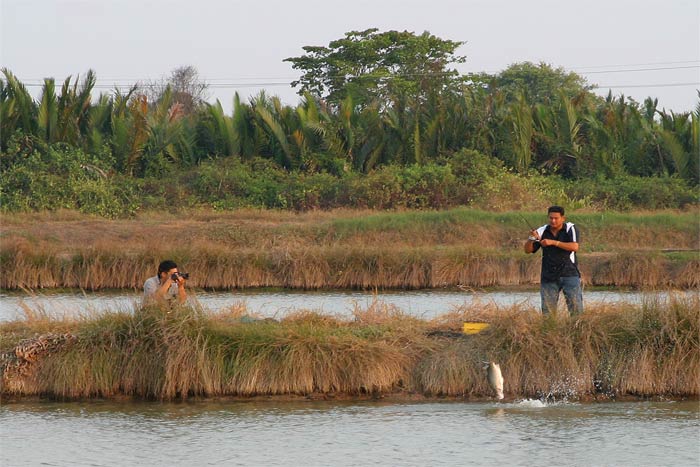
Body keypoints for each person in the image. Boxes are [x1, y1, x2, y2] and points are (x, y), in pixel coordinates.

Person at [523, 206, 583, 315]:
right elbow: (528, 250)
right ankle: (550, 331)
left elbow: (574, 247)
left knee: (576, 309)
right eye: (551, 218)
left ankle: (577, 330)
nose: (553, 221)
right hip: (548, 276)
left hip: (569, 274)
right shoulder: (542, 230)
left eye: (556, 218)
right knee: (548, 312)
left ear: (563, 218)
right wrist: (531, 238)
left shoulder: (570, 228)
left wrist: (553, 242)